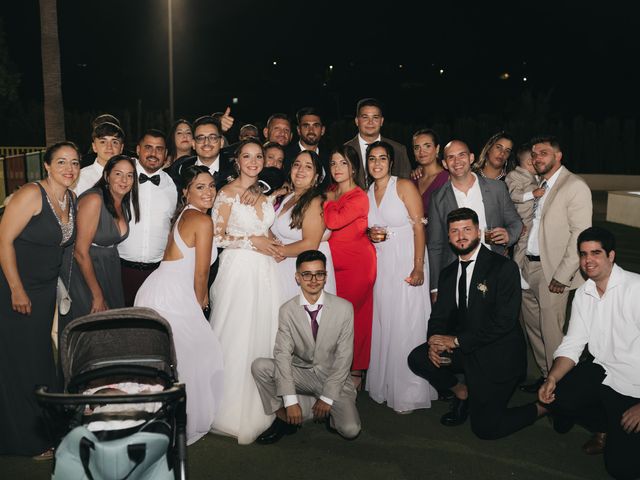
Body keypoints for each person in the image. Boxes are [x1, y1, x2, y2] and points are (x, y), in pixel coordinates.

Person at [408, 208, 542, 438]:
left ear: (479, 233)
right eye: (454, 231)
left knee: (486, 429)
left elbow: (505, 322)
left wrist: (456, 340)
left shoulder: (503, 268)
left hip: (498, 354)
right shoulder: (449, 273)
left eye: (467, 230)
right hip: (467, 349)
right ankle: (462, 392)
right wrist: (435, 341)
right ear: (449, 237)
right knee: (418, 357)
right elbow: (439, 316)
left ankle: (542, 408)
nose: (461, 236)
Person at [538, 227, 640, 479]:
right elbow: (573, 344)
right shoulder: (584, 293)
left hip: (634, 386)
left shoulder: (635, 289)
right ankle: (604, 427)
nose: (588, 261)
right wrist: (551, 378)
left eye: (596, 253)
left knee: (621, 469)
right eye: (583, 254)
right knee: (560, 395)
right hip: (603, 373)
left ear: (611, 255)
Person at [0, 141, 80, 458]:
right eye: (61, 162)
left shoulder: (71, 199)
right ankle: (23, 440)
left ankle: (44, 428)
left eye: (74, 163)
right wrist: (16, 288)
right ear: (46, 165)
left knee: (38, 360)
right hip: (15, 289)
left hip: (44, 291)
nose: (69, 169)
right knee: (19, 364)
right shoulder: (32, 195)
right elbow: (3, 241)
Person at [135, 165, 224, 445]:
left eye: (211, 185)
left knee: (173, 360)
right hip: (172, 296)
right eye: (200, 187)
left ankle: (161, 416)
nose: (208, 191)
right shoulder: (202, 220)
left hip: (157, 288)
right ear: (186, 192)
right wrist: (201, 305)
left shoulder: (187, 214)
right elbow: (200, 273)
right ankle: (180, 419)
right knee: (198, 354)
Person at [208, 138, 283, 444]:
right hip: (238, 269)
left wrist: (273, 243)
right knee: (237, 332)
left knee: (265, 331)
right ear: (236, 161)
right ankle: (230, 408)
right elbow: (217, 237)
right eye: (247, 157)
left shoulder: (265, 193)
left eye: (258, 157)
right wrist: (254, 242)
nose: (253, 162)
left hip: (266, 270)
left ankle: (266, 406)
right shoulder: (226, 194)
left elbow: (267, 227)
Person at [252, 250, 361, 444]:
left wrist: (327, 398)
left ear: (325, 277)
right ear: (297, 277)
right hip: (302, 374)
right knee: (260, 366)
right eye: (306, 274)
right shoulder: (287, 310)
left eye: (319, 274)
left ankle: (332, 416)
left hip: (334, 377)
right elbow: (282, 354)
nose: (313, 280)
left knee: (350, 430)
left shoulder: (344, 308)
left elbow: (345, 358)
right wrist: (290, 402)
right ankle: (283, 418)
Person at [365, 141, 437, 413]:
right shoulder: (369, 191)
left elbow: (420, 228)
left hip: (408, 258)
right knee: (386, 318)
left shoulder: (404, 186)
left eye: (382, 158)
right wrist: (371, 235)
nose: (377, 164)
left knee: (407, 320)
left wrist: (418, 267)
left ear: (391, 163)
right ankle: (386, 383)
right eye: (372, 159)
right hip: (383, 262)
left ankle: (410, 389)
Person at [519, 135, 592, 393]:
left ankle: (560, 389)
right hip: (527, 268)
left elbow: (580, 235)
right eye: (534, 153)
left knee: (552, 333)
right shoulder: (541, 184)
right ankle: (545, 376)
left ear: (558, 156)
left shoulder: (574, 185)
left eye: (544, 153)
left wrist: (562, 275)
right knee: (534, 329)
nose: (537, 157)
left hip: (552, 272)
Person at [427, 139, 522, 301]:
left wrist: (509, 235)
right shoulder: (438, 198)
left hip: (494, 266)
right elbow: (435, 246)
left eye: (462, 155)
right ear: (444, 163)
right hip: (457, 271)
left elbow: (516, 222)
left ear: (471, 158)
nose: (457, 162)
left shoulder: (497, 189)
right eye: (451, 157)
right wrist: (435, 287)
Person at [323, 145, 376, 390]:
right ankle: (340, 369)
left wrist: (329, 202)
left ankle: (354, 371)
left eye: (343, 163)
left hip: (357, 266)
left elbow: (333, 221)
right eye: (333, 163)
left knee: (352, 318)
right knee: (341, 318)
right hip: (335, 266)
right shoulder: (332, 191)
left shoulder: (358, 196)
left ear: (353, 166)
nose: (337, 168)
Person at [65, 155, 139, 322]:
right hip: (87, 273)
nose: (124, 180)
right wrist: (97, 294)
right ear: (107, 176)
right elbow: (80, 251)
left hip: (110, 268)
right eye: (118, 174)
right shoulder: (94, 199)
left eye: (129, 175)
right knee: (89, 328)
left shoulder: (122, 203)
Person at [118, 129, 178, 306]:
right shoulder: (121, 177)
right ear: (138, 149)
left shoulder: (172, 185)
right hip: (120, 269)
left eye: (159, 149)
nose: (153, 153)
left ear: (166, 154)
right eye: (148, 147)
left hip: (157, 272)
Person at [270, 150, 336, 301]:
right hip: (283, 266)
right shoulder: (288, 197)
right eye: (297, 165)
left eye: (308, 167)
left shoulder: (315, 202)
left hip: (305, 269)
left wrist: (278, 251)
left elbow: (310, 243)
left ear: (317, 177)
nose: (300, 170)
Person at [344, 98, 411, 188]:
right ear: (357, 121)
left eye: (375, 117)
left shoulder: (398, 150)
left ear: (381, 121)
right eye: (365, 117)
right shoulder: (344, 150)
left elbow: (406, 185)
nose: (370, 122)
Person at [504, 143, 546, 272]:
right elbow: (513, 195)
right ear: (529, 162)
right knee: (521, 246)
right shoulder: (514, 175)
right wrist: (532, 194)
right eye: (536, 159)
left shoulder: (537, 177)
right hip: (522, 217)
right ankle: (517, 272)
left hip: (534, 217)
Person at [168, 115, 234, 190]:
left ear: (221, 142)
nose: (206, 142)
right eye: (200, 138)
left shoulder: (235, 168)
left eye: (212, 137)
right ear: (193, 144)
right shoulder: (180, 167)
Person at [284, 107, 331, 188]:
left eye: (316, 126)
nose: (311, 130)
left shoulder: (330, 157)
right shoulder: (285, 156)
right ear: (299, 130)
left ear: (322, 130)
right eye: (306, 126)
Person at [74, 122, 125, 195]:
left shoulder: (128, 177)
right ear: (94, 147)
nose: (109, 147)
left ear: (121, 148)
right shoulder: (80, 179)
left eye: (114, 142)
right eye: (103, 142)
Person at [410, 128, 449, 217]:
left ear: (437, 148)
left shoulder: (447, 178)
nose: (421, 151)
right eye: (417, 148)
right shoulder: (413, 179)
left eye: (427, 146)